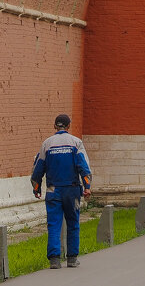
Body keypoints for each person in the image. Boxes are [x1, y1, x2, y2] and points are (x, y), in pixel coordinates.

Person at [31, 113, 92, 269]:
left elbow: (38, 169)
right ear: (69, 126)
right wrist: (87, 187)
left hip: (53, 190)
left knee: (53, 224)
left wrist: (36, 187)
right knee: (73, 223)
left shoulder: (47, 144)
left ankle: (54, 260)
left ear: (54, 126)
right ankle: (72, 258)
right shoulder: (76, 143)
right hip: (72, 190)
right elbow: (83, 167)